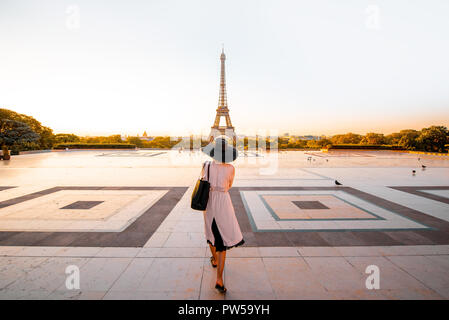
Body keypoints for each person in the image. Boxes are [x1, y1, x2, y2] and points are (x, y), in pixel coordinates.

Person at [201, 137, 244, 293]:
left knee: (210, 233)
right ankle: (219, 279)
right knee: (222, 241)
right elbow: (229, 185)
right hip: (224, 203)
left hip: (209, 202)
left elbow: (203, 182)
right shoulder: (231, 168)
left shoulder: (206, 166)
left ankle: (213, 259)